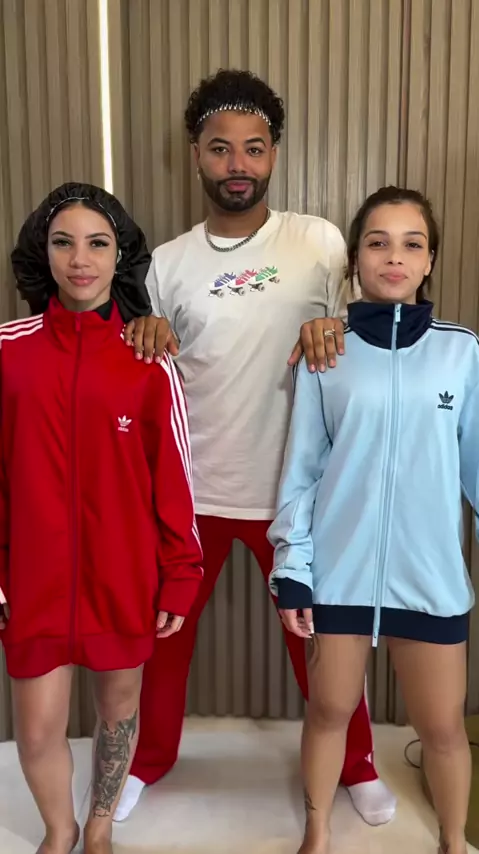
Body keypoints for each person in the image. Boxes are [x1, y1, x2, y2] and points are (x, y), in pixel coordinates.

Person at [115, 68, 396, 827]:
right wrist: (146, 332)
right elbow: (144, 376)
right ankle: (147, 761)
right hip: (194, 492)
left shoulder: (318, 242)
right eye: (220, 148)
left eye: (253, 147)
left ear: (274, 153)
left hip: (298, 495)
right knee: (163, 642)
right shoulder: (166, 264)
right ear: (196, 155)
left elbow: (368, 334)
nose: (237, 164)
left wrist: (338, 325)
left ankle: (358, 764)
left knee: (323, 645)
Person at [268, 185, 475, 854]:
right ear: (355, 257)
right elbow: (302, 471)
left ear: (430, 260)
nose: (395, 257)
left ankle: (452, 842)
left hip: (430, 578)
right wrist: (293, 569)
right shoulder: (326, 354)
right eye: (378, 242)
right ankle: (318, 832)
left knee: (442, 727)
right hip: (341, 573)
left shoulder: (462, 353)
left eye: (412, 244)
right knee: (328, 710)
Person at [0, 182, 203, 854]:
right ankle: (59, 829)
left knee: (118, 713)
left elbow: (175, 478)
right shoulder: (8, 351)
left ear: (121, 256)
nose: (79, 259)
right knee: (36, 729)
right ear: (43, 252)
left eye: (97, 243)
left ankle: (99, 825)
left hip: (122, 579)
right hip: (31, 583)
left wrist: (180, 574)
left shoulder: (148, 362)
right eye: (63, 242)